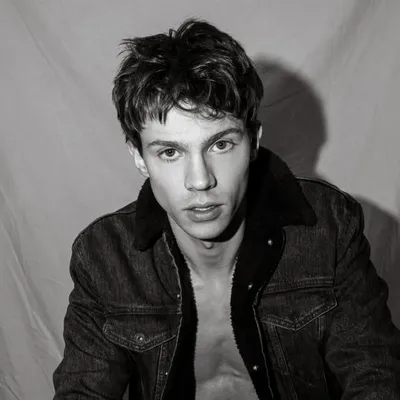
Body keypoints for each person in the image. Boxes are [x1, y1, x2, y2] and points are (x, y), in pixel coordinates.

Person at [53, 18, 400, 399]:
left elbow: (374, 375)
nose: (200, 180)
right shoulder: (104, 256)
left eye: (220, 145)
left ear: (253, 142)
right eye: (170, 152)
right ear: (139, 157)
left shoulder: (329, 228)